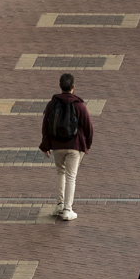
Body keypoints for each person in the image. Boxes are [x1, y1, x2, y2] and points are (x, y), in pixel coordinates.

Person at [39, 73, 94, 221]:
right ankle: (68, 209)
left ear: (60, 86)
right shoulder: (79, 105)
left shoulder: (52, 104)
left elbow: (46, 126)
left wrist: (45, 146)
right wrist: (87, 144)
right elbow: (88, 127)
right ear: (73, 87)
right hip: (74, 145)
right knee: (71, 176)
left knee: (60, 173)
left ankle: (59, 204)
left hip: (57, 145)